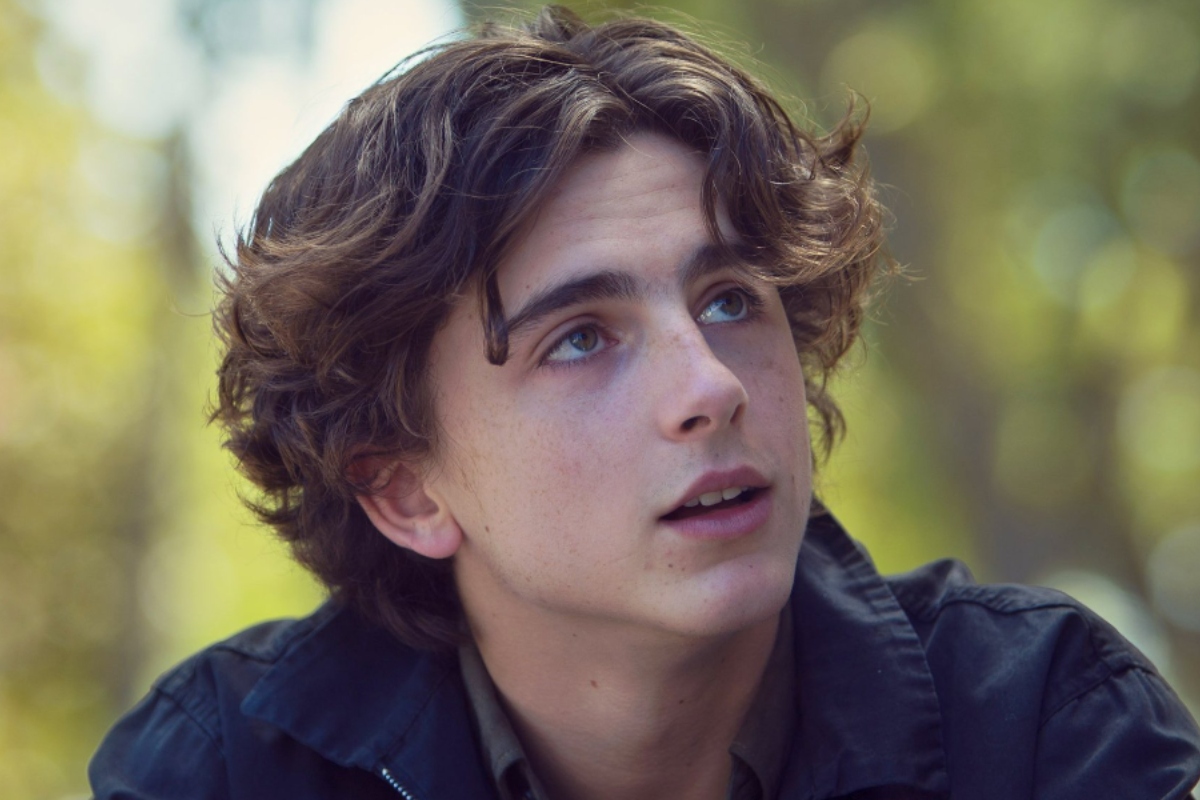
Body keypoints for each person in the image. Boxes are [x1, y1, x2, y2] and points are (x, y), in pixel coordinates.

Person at [90, 6, 1200, 799]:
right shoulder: (221, 770)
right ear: (405, 489)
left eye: (730, 301)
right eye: (581, 338)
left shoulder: (1041, 727)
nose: (712, 386)